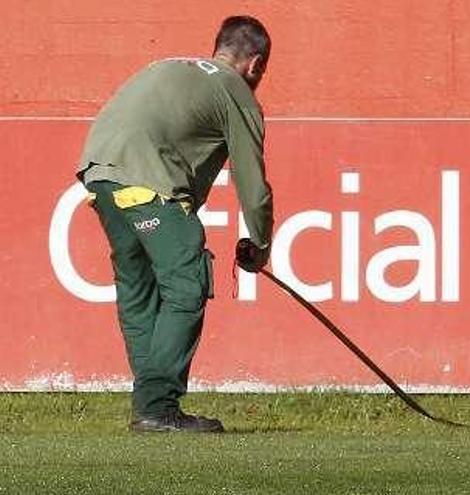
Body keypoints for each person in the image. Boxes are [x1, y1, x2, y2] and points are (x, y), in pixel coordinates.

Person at [76, 16, 274, 433]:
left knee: (139, 287)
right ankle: (157, 406)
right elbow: (251, 182)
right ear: (255, 64)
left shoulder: (167, 65)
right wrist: (260, 243)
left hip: (98, 174)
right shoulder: (234, 89)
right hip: (148, 181)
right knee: (186, 282)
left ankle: (150, 403)